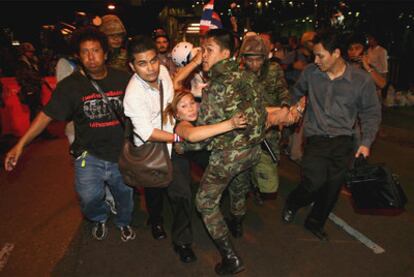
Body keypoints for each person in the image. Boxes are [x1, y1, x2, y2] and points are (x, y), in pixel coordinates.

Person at [4, 27, 136, 242]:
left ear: (105, 53)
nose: (91, 57)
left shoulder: (124, 80)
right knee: (88, 198)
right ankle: (99, 217)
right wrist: (21, 145)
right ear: (78, 55)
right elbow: (46, 115)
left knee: (125, 197)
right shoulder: (70, 86)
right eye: (85, 52)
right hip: (88, 154)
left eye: (95, 51)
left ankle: (123, 222)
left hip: (120, 154)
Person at [179, 29, 266, 275]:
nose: (203, 55)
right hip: (252, 150)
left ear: (226, 54)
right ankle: (237, 223)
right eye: (203, 49)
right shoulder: (248, 75)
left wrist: (181, 144)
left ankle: (231, 258)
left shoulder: (217, 86)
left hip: (229, 154)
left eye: (209, 50)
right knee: (239, 182)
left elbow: (206, 134)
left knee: (205, 202)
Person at [281, 30, 381, 241]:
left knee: (332, 188)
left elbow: (371, 113)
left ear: (336, 53)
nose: (315, 60)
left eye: (320, 56)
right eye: (314, 55)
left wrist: (366, 143)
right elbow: (295, 93)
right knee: (313, 182)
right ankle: (294, 202)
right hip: (316, 138)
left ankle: (315, 222)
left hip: (345, 141)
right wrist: (290, 107)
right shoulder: (311, 73)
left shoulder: (361, 80)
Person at [124, 35, 199, 263]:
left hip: (173, 146)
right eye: (142, 63)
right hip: (151, 150)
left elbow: (173, 91)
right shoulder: (132, 94)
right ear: (132, 66)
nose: (150, 68)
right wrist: (178, 137)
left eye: (153, 60)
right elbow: (147, 132)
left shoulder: (164, 72)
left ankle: (182, 242)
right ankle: (155, 219)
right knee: (154, 192)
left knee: (183, 194)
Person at [238, 35, 293, 202]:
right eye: (250, 60)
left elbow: (283, 91)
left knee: (270, 164)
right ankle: (249, 187)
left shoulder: (274, 69)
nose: (254, 64)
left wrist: (284, 109)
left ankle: (258, 186)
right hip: (246, 128)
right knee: (245, 165)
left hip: (270, 129)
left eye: (258, 60)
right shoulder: (238, 74)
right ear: (243, 58)